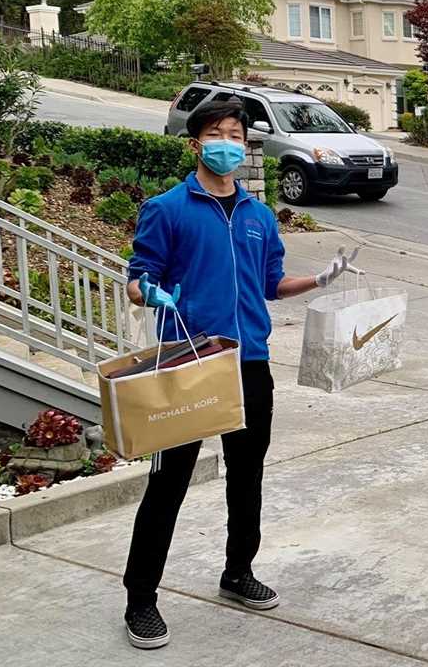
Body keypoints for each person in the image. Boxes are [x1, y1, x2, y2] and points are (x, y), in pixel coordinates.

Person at [121, 97, 359, 649]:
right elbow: (139, 276)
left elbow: (272, 282)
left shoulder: (259, 216)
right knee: (168, 481)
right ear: (196, 143)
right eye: (217, 133)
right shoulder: (168, 208)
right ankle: (140, 598)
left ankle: (237, 572)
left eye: (236, 133)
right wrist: (147, 290)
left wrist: (320, 280)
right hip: (188, 362)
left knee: (246, 476)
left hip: (249, 362)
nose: (228, 142)